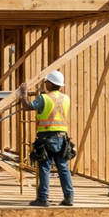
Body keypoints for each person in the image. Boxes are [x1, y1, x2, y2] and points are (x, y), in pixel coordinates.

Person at [19, 71, 74, 206]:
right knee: (63, 168)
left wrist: (24, 93)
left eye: (46, 82)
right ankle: (69, 197)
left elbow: (27, 107)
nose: (45, 84)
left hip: (46, 139)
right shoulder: (66, 98)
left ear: (50, 83)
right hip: (62, 139)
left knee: (44, 168)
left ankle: (42, 199)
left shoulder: (44, 98)